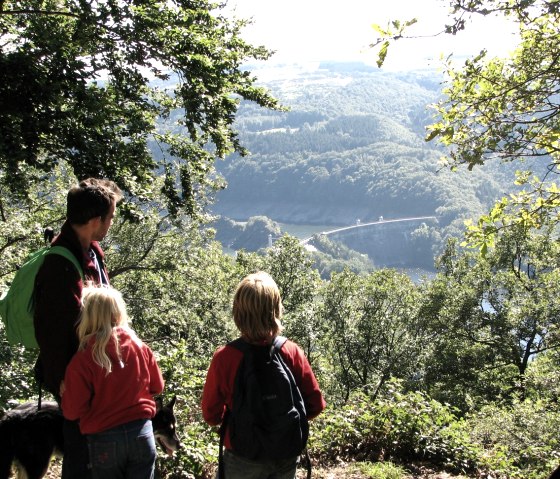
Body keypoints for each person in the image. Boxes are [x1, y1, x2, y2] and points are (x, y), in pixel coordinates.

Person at [33, 177, 123, 479]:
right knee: (81, 452)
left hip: (93, 372)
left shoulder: (90, 251)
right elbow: (52, 333)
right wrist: (64, 381)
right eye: (110, 217)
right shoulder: (60, 267)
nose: (111, 223)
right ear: (96, 220)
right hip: (75, 378)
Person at [202, 271, 326, 479]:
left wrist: (240, 422)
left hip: (243, 454)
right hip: (285, 453)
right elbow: (315, 405)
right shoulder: (291, 352)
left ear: (237, 312)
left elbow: (210, 415)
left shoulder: (225, 358)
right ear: (275, 310)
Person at [61, 285, 164, 479]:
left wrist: (65, 393)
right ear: (118, 313)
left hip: (105, 440)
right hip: (142, 434)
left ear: (87, 316)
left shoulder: (82, 359)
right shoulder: (139, 346)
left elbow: (72, 411)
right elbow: (157, 386)